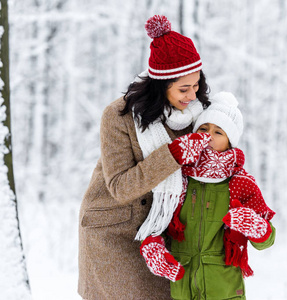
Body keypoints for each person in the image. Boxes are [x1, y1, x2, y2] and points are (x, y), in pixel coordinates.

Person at [78, 15, 212, 300]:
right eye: (183, 89)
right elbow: (120, 187)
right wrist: (174, 154)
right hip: (115, 232)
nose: (192, 95)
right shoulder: (118, 117)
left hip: (164, 235)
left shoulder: (198, 116)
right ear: (160, 86)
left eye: (196, 84)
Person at [139, 92, 276, 300]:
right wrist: (152, 248)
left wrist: (256, 226)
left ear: (230, 142)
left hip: (225, 290)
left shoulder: (241, 183)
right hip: (183, 290)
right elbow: (158, 224)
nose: (208, 135)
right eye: (203, 128)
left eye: (218, 132)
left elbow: (266, 240)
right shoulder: (178, 179)